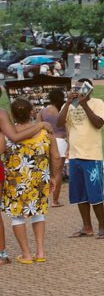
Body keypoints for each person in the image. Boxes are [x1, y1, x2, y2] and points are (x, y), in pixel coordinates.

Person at [2, 98, 53, 263]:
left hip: (15, 181)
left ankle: (26, 254)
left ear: (12, 115)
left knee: (17, 217)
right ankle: (40, 252)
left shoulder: (6, 135)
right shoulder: (44, 132)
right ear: (32, 112)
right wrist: (54, 176)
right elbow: (57, 157)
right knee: (38, 213)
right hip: (39, 179)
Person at [59, 79, 104, 239]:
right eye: (76, 87)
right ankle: (87, 227)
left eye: (81, 88)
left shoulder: (97, 103)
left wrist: (84, 104)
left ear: (89, 89)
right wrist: (67, 103)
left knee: (95, 194)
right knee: (79, 194)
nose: (77, 90)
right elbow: (59, 123)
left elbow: (98, 123)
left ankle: (102, 227)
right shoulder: (70, 105)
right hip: (74, 156)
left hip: (92, 156)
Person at [42, 88, 68, 207]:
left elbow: (38, 126)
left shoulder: (42, 111)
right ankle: (55, 200)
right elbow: (68, 128)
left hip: (46, 141)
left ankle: (44, 198)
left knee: (48, 172)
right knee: (57, 173)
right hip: (61, 141)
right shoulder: (62, 111)